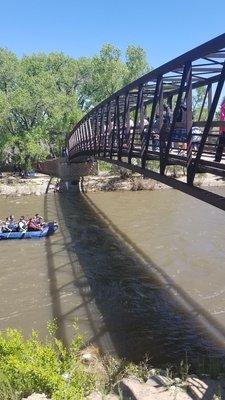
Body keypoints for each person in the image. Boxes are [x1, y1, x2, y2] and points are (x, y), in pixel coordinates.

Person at [215, 98, 225, 162]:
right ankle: (217, 160)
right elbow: (222, 117)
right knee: (220, 145)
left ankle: (217, 160)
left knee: (220, 145)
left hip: (223, 128)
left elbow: (222, 117)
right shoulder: (223, 105)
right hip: (223, 128)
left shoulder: (223, 105)